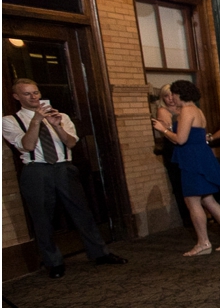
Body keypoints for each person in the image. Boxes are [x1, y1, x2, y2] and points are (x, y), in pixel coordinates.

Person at [3, 78, 127, 278]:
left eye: (35, 92)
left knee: (82, 212)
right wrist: (36, 120)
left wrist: (57, 126)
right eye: (27, 94)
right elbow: (27, 145)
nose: (33, 97)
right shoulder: (9, 121)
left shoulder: (61, 116)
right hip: (36, 170)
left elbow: (71, 143)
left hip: (63, 168)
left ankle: (99, 253)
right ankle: (54, 262)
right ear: (17, 97)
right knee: (42, 218)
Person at [151, 80, 220, 256]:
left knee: (192, 201)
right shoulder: (197, 110)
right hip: (200, 157)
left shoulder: (187, 111)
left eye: (173, 94)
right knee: (208, 200)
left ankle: (203, 242)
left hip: (192, 160)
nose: (172, 98)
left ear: (180, 94)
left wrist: (163, 130)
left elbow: (181, 139)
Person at [154, 83, 188, 221]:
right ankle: (187, 218)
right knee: (179, 183)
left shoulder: (185, 109)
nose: (170, 99)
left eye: (171, 95)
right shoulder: (163, 111)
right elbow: (169, 131)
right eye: (166, 96)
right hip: (173, 148)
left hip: (184, 146)